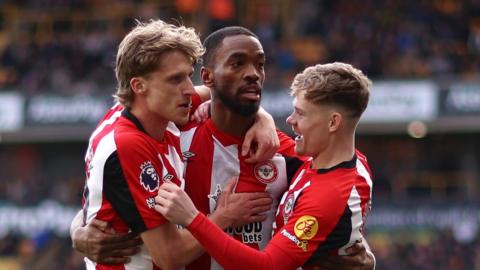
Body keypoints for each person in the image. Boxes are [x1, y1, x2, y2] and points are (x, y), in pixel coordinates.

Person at [73, 26, 375, 270]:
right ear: (209, 76)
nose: (253, 73)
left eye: (260, 64)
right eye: (237, 63)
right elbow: (114, 192)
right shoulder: (175, 125)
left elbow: (336, 186)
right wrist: (78, 230)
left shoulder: (282, 152)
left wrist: (351, 243)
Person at [78, 19, 274, 270]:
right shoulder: (129, 143)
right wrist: (225, 216)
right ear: (139, 86)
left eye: (188, 76)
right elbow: (170, 257)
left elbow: (223, 94)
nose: (189, 89)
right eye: (176, 79)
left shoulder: (150, 110)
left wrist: (262, 118)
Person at [154, 62, 374, 270]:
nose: (290, 120)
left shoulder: (328, 195)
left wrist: (192, 218)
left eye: (301, 113)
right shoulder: (328, 160)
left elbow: (266, 266)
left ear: (333, 122)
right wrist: (259, 115)